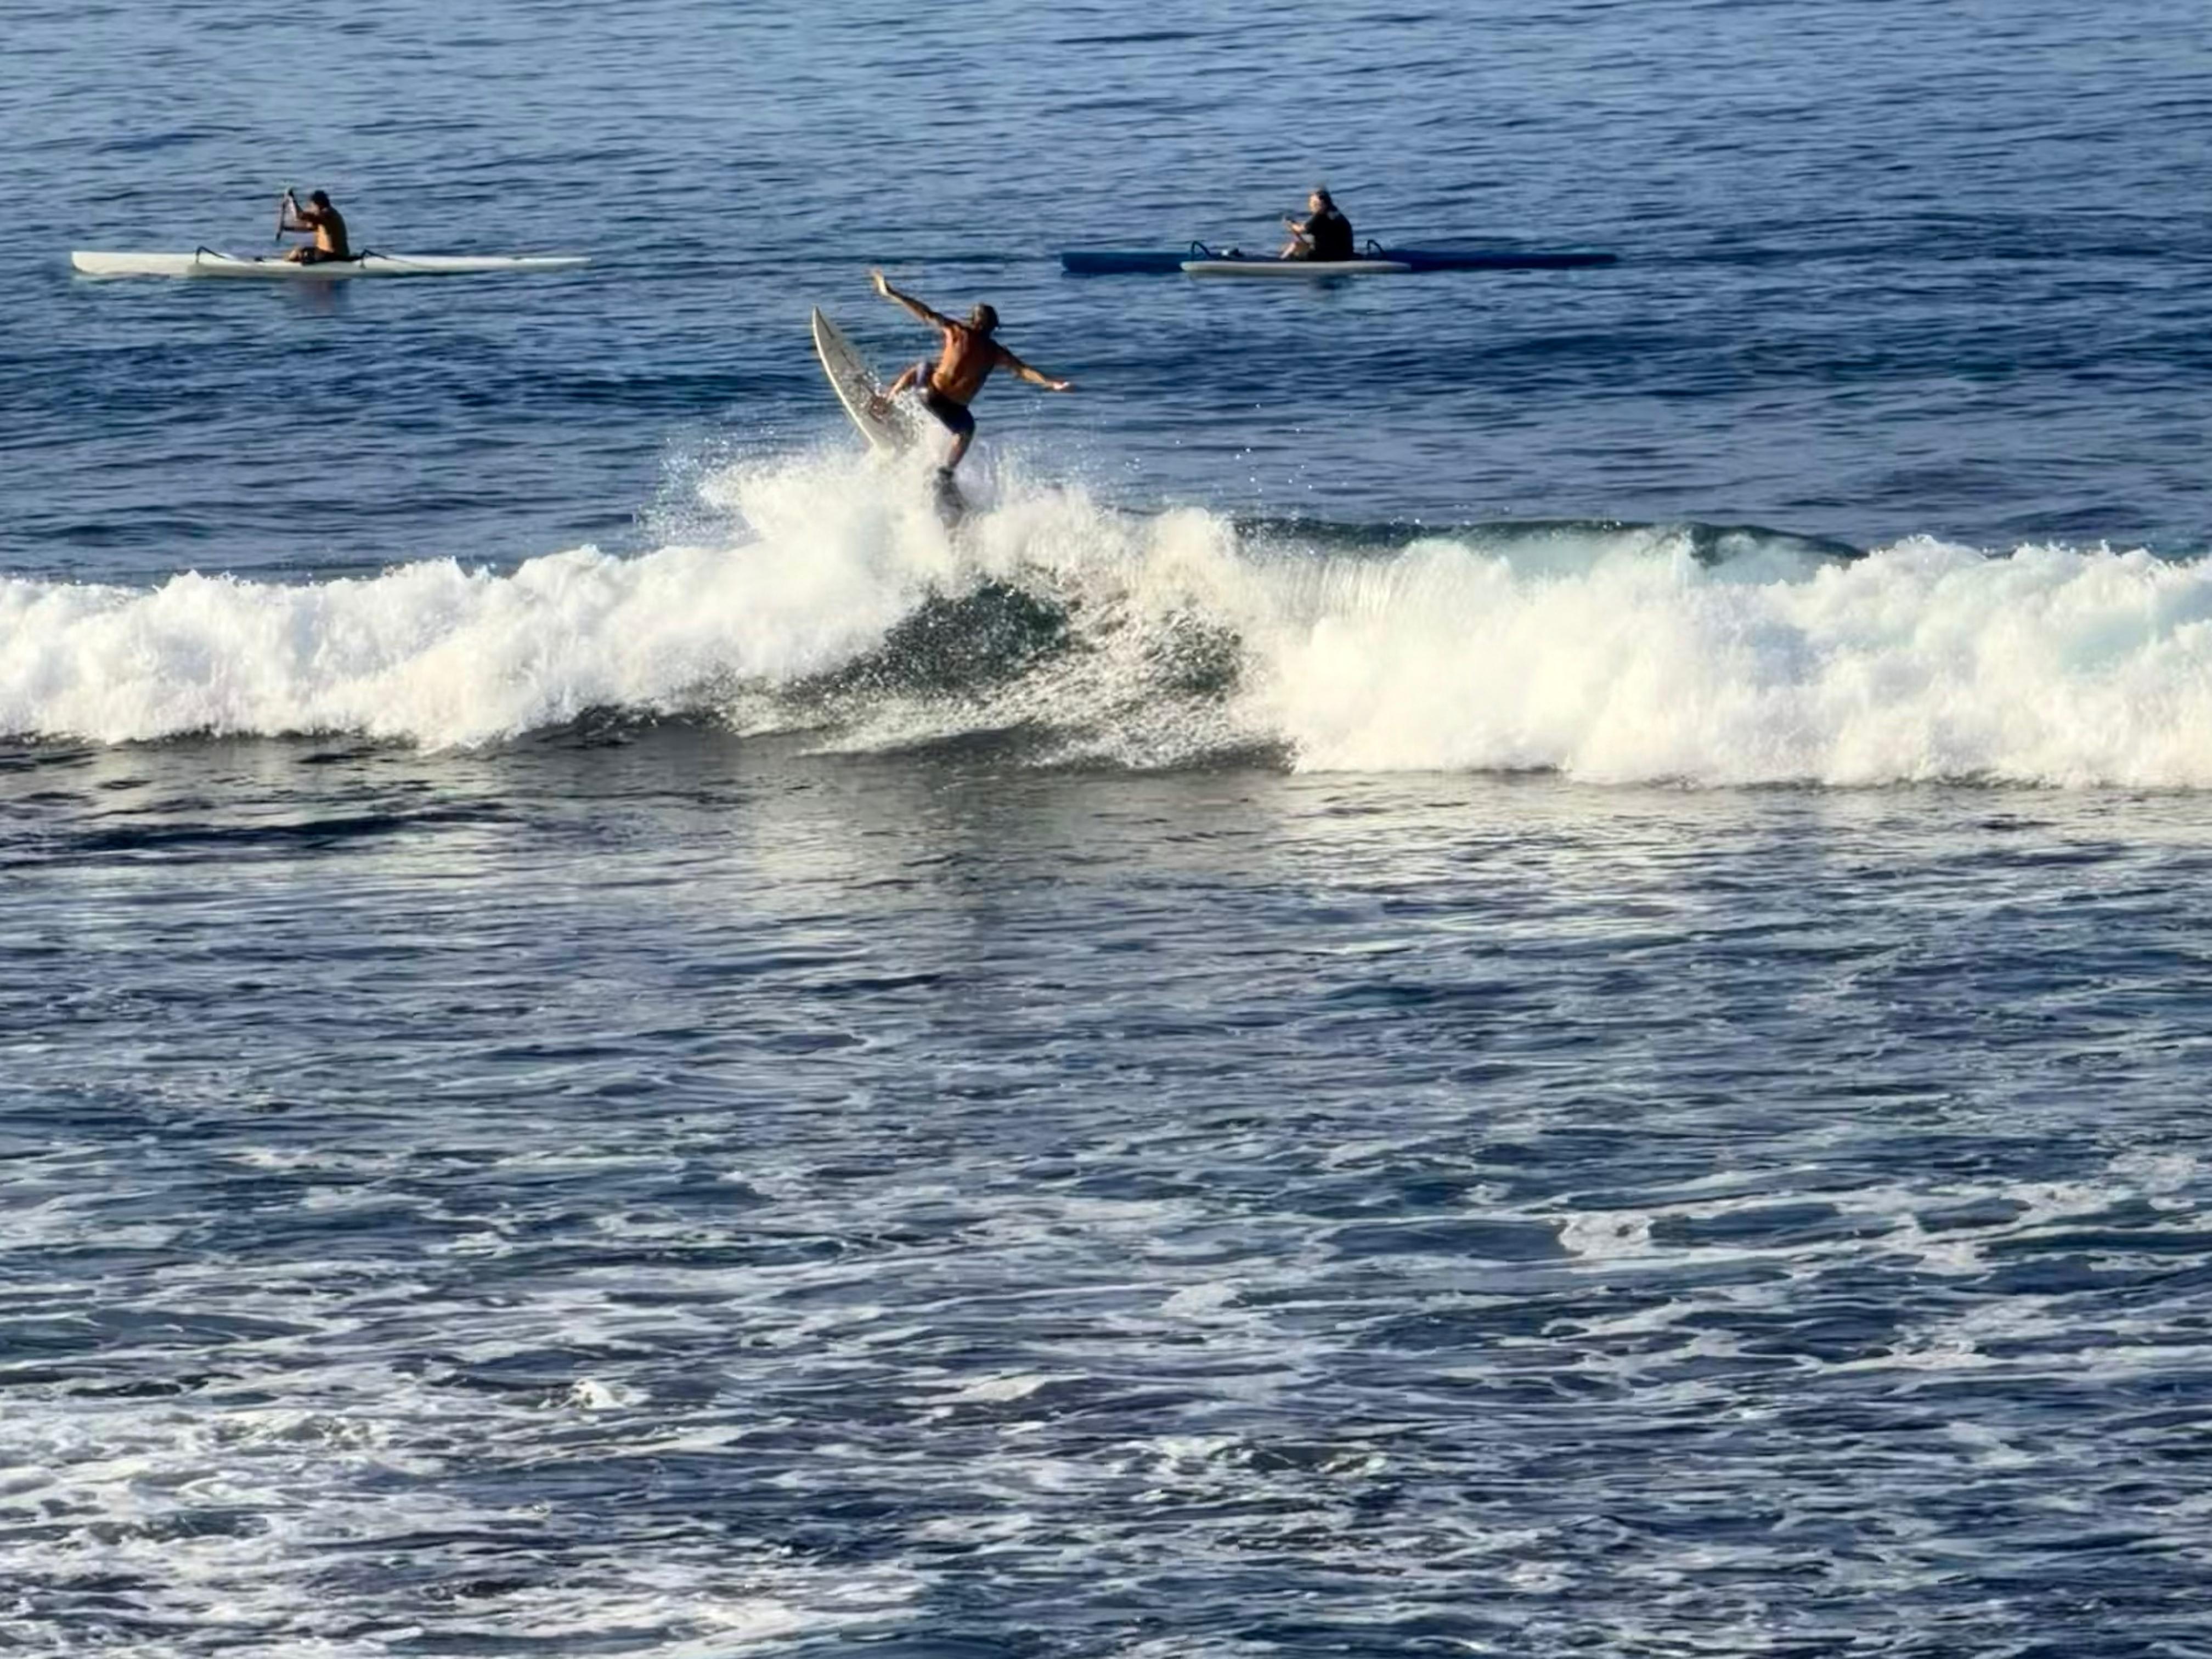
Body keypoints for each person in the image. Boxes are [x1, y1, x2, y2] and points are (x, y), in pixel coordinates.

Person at [868, 269, 1072, 476]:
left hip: (930, 395)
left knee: (923, 368)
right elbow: (1023, 370)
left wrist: (893, 294)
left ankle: (888, 400)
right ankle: (946, 472)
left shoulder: (956, 331)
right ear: (992, 327)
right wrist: (1050, 383)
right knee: (966, 432)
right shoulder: (995, 352)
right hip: (953, 411)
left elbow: (925, 313)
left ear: (973, 321)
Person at [1280, 187, 1354, 261]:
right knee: (1299, 245)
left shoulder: (1320, 216)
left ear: (1322, 204)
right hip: (1345, 254)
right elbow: (1310, 229)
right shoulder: (1335, 213)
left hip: (1330, 257)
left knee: (1296, 246)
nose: (1311, 206)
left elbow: (1302, 230)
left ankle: (1282, 263)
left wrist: (1291, 224)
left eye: (1313, 203)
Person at [279, 189, 351, 264]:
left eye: (312, 205)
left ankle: (286, 266)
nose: (312, 208)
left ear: (318, 203)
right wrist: (287, 228)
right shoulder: (326, 216)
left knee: (300, 251)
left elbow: (299, 216)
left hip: (334, 255)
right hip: (334, 254)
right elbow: (310, 228)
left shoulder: (327, 213)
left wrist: (292, 200)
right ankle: (288, 263)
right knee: (300, 251)